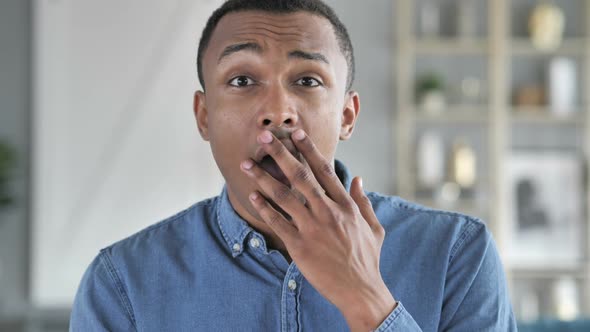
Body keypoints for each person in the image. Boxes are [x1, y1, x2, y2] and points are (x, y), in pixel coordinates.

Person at [70, 0, 517, 331]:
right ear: (204, 116)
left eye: (307, 81)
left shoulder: (459, 254)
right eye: (243, 80)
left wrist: (366, 296)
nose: (278, 111)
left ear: (347, 116)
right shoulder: (121, 283)